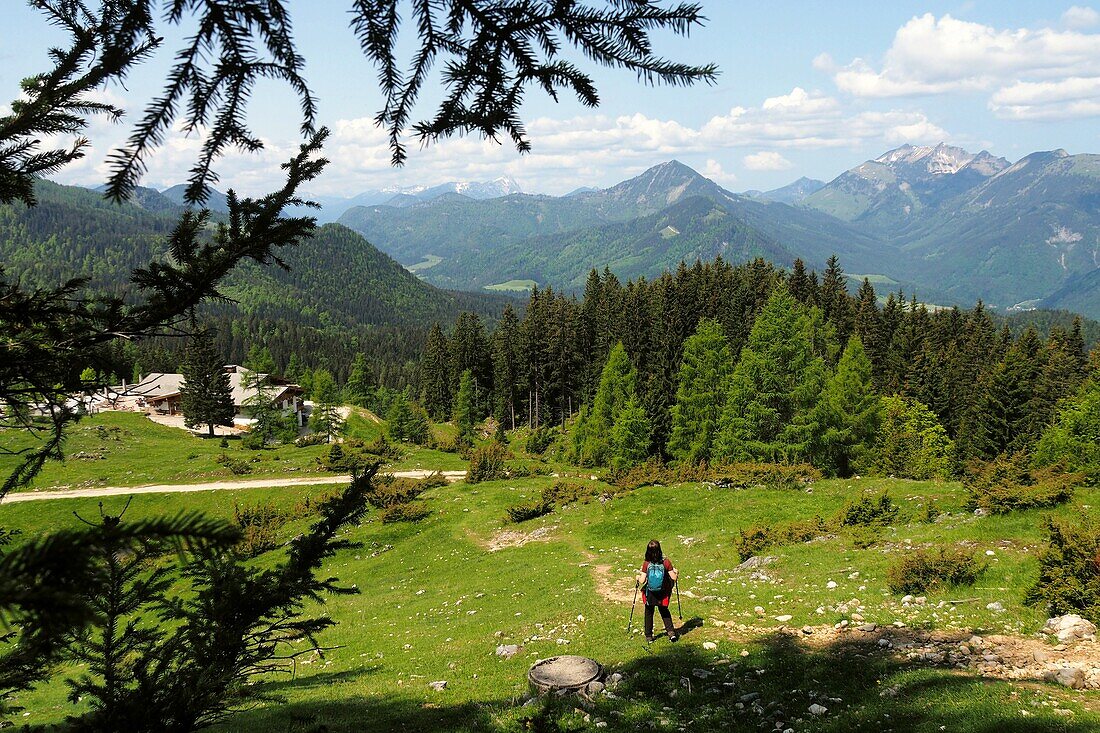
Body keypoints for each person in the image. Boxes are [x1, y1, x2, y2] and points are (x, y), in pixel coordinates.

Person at [636, 539, 678, 643]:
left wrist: (637, 577)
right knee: (664, 611)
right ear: (659, 549)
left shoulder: (646, 563)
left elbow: (642, 580)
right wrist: (677, 572)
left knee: (649, 612)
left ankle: (649, 636)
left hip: (650, 593)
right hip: (663, 593)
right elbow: (673, 577)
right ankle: (671, 633)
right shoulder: (666, 562)